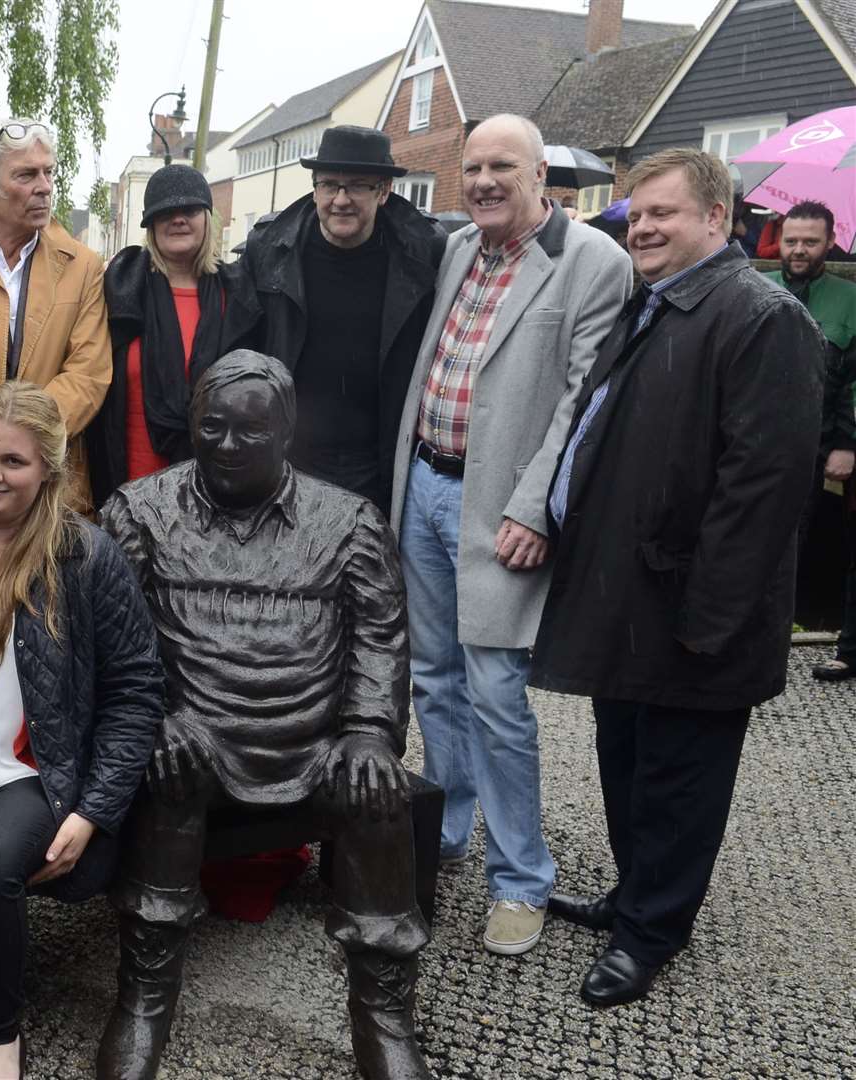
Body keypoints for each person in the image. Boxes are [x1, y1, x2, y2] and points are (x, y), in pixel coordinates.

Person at [533, 148, 824, 1006]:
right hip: (628, 592)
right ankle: (634, 895)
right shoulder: (656, 302)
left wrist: (710, 619)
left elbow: (763, 489)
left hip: (690, 606)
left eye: (662, 212)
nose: (643, 226)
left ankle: (652, 931)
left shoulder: (760, 317)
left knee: (679, 778)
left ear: (717, 218)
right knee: (625, 762)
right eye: (636, 213)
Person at [97, 350, 431, 1080]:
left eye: (248, 432)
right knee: (167, 773)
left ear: (286, 434)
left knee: (376, 791)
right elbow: (109, 635)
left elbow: (379, 636)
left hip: (312, 741)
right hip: (193, 733)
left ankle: (381, 1012)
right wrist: (153, 714)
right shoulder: (138, 511)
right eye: (210, 427)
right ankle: (145, 995)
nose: (224, 445)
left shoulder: (348, 522)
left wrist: (369, 731)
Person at [388, 114, 632, 956]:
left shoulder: (592, 263)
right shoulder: (460, 248)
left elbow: (581, 403)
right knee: (434, 678)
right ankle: (448, 830)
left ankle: (521, 879)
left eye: (502, 166)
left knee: (495, 693)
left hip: (499, 509)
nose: (484, 180)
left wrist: (534, 509)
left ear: (541, 176)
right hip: (422, 484)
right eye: (473, 166)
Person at [0, 381, 163, 1080]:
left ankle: (1, 1029)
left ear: (48, 468)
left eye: (12, 462)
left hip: (34, 768)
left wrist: (93, 811)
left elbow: (136, 692)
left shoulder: (85, 556)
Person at [224, 125, 444, 515]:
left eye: (357, 186)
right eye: (329, 185)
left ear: (384, 191)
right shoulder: (270, 249)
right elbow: (240, 349)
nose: (340, 200)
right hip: (289, 458)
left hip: (379, 461)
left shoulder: (424, 253)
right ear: (314, 188)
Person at [0, 118, 112, 505]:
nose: (45, 187)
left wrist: (25, 441)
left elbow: (88, 374)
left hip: (52, 489)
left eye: (49, 172)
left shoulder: (83, 266)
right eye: (27, 175)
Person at [85, 162, 234, 507]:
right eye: (165, 211)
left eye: (190, 209)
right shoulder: (120, 289)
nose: (178, 218)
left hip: (212, 486)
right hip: (129, 483)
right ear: (151, 224)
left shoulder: (237, 295)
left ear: (207, 219)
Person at [760, 201, 856, 681]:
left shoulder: (849, 299)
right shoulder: (757, 288)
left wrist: (847, 442)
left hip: (819, 444)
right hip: (757, 442)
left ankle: (790, 638)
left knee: (805, 545)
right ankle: (753, 640)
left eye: (809, 242)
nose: (798, 250)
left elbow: (854, 379)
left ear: (830, 243)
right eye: (791, 240)